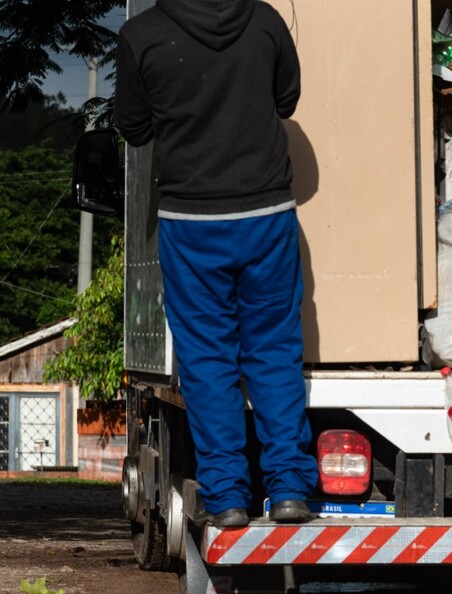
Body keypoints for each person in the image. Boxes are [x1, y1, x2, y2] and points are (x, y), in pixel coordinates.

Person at [113, 0, 318, 527]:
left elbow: (133, 128)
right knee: (274, 351)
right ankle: (289, 489)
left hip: (190, 221)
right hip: (266, 214)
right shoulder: (265, 19)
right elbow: (287, 101)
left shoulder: (141, 35)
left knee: (207, 360)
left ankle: (227, 499)